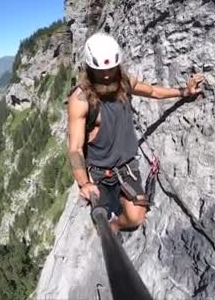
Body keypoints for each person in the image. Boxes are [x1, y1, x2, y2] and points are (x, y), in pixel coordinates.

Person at [66, 32, 205, 231]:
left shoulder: (124, 82)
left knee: (136, 218)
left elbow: (153, 92)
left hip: (126, 166)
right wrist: (84, 184)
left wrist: (183, 92)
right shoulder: (80, 100)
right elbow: (75, 149)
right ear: (89, 69)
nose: (106, 76)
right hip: (98, 171)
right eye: (100, 71)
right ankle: (104, 223)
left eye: (111, 69)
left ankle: (114, 227)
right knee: (99, 215)